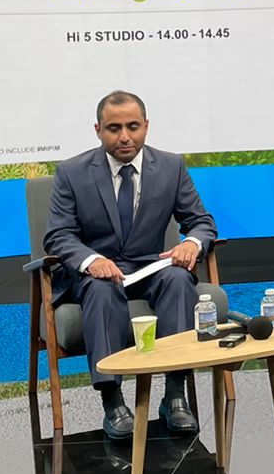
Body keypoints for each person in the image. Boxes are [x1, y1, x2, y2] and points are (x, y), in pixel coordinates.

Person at [45, 90, 217, 440]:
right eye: (114, 128)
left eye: (133, 127)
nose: (124, 136)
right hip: (99, 272)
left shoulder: (170, 167)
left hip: (149, 266)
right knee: (101, 288)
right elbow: (59, 235)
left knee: (179, 279)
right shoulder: (72, 173)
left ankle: (175, 395)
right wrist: (91, 260)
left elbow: (201, 221)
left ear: (146, 126)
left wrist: (191, 243)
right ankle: (113, 402)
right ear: (98, 130)